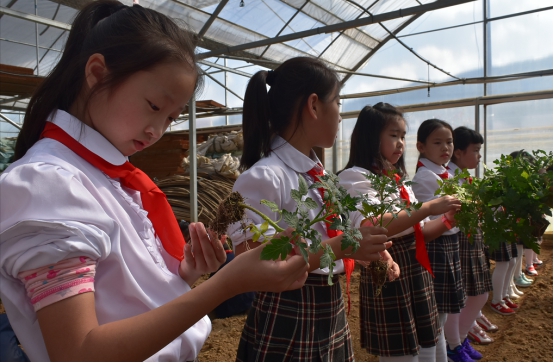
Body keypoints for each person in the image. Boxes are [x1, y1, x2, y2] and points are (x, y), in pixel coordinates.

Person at [0, 1, 309, 361]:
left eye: (171, 118)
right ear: (97, 73)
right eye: (152, 105)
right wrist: (225, 285)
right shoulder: (48, 185)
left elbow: (123, 298)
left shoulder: (112, 177)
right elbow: (78, 351)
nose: (157, 130)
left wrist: (183, 274)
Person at [226, 57, 394, 362]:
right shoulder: (261, 177)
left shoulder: (319, 174)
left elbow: (333, 232)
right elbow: (249, 263)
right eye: (338, 102)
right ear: (314, 106)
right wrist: (345, 246)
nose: (341, 116)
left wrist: (365, 250)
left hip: (327, 305)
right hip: (290, 312)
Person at [338, 103, 460, 362]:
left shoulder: (398, 179)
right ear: (370, 136)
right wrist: (428, 208)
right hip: (389, 267)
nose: (401, 143)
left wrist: (449, 219)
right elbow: (372, 224)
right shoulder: (354, 176)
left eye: (403, 136)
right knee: (402, 353)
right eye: (394, 135)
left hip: (415, 264)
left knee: (431, 345)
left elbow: (419, 232)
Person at [411, 119, 468, 362]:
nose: (445, 148)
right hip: (436, 247)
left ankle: (444, 354)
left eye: (449, 142)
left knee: (441, 315)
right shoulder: (425, 177)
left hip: (448, 244)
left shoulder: (445, 172)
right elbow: (427, 224)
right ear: (421, 146)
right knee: (436, 317)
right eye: (438, 142)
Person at [447, 126, 493, 354]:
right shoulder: (449, 178)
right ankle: (456, 343)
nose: (479, 156)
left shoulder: (462, 176)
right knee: (469, 294)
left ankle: (460, 339)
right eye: (475, 150)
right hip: (461, 240)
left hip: (470, 238)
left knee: (476, 292)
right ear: (459, 152)